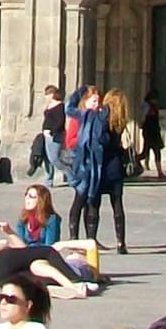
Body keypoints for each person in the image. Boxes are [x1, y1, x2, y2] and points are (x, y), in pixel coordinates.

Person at [62, 86, 115, 248]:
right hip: (82, 164)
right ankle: (73, 238)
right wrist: (79, 91)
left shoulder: (100, 117)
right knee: (80, 198)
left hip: (96, 165)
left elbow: (105, 136)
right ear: (85, 102)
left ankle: (91, 239)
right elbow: (70, 139)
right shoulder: (79, 116)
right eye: (93, 100)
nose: (96, 103)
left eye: (98, 100)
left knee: (93, 201)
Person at [29, 87, 69, 181]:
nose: (46, 96)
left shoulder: (60, 106)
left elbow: (60, 121)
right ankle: (48, 180)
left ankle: (70, 173)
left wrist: (51, 130)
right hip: (46, 134)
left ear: (53, 94)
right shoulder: (49, 105)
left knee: (54, 158)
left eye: (48, 94)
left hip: (54, 135)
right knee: (47, 158)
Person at [138, 93, 165, 181]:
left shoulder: (153, 107)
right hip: (150, 132)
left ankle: (160, 172)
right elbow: (144, 117)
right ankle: (134, 161)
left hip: (154, 132)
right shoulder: (147, 106)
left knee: (156, 152)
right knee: (145, 153)